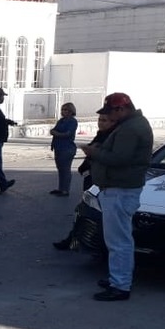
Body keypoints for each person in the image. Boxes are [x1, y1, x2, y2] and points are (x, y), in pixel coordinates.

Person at [80, 92, 153, 301]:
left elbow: (119, 158)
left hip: (120, 190)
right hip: (119, 188)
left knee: (118, 241)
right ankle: (118, 278)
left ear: (121, 109)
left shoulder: (130, 128)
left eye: (111, 112)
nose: (110, 117)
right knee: (120, 239)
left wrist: (94, 153)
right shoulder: (131, 125)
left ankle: (120, 285)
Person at [52, 112, 114, 250]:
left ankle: (79, 240)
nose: (101, 123)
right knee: (84, 210)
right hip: (91, 176)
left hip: (100, 179)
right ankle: (74, 239)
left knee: (90, 211)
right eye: (99, 120)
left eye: (105, 120)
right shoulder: (102, 134)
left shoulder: (111, 137)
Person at [49, 102, 78, 196]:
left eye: (66, 110)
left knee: (65, 169)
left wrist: (57, 134)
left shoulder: (72, 121)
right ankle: (61, 188)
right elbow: (53, 130)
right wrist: (55, 132)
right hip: (58, 147)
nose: (64, 111)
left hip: (67, 148)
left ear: (71, 111)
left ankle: (65, 190)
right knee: (60, 169)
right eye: (63, 109)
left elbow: (68, 133)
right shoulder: (61, 121)